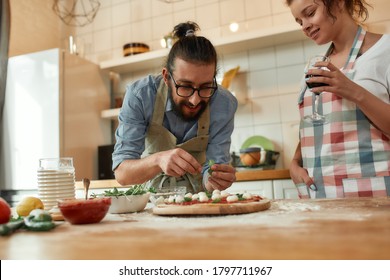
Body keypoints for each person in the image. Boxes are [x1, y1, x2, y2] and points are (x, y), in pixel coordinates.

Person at [112, 22, 238, 193]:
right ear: (166, 77)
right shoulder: (140, 96)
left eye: (205, 87)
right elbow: (122, 174)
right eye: (185, 86)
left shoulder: (224, 104)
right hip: (148, 202)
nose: (195, 100)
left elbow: (212, 171)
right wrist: (158, 160)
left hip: (199, 202)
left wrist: (216, 180)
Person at [286, 0, 390, 198]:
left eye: (310, 13)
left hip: (373, 195)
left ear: (338, 3)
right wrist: (295, 161)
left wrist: (353, 91)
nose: (305, 26)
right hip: (321, 197)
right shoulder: (314, 67)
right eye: (299, 22)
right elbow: (318, 127)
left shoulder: (385, 51)